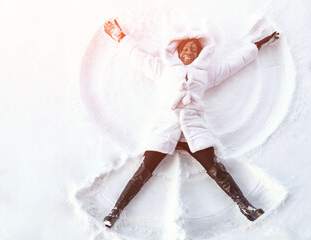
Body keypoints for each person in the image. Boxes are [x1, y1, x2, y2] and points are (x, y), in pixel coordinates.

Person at [102, 18, 279, 228]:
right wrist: (121, 37)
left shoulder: (207, 74)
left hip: (193, 130)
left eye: (194, 49)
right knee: (143, 171)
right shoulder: (163, 70)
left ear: (200, 54)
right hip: (166, 127)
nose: (189, 51)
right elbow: (138, 57)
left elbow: (235, 63)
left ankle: (246, 207)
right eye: (185, 48)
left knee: (216, 170)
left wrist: (258, 44)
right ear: (177, 51)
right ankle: (115, 212)